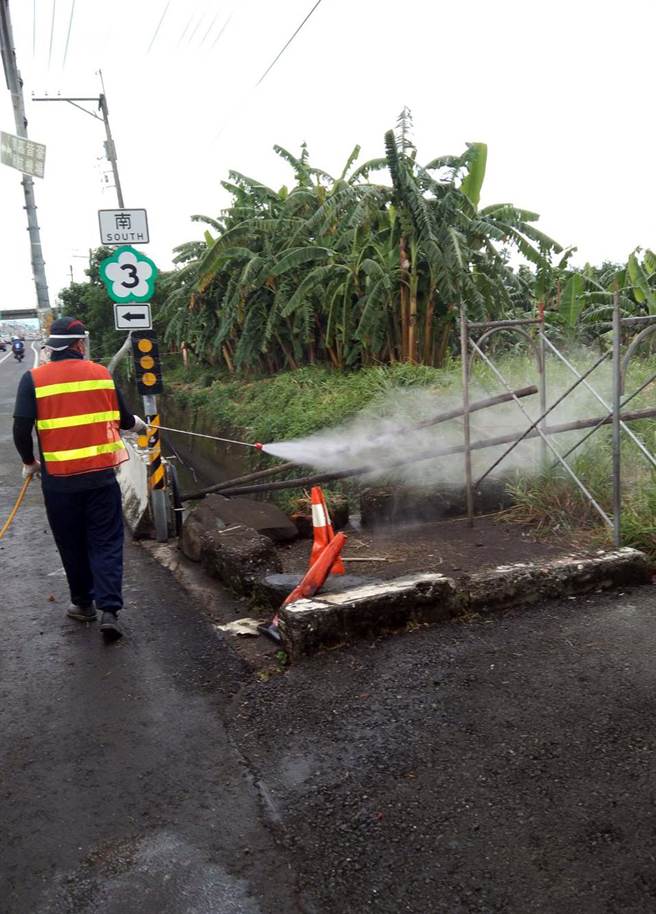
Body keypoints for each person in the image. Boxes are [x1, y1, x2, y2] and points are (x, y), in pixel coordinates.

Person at [12, 316, 147, 641]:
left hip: (59, 482)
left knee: (71, 543)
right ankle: (110, 610)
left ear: (51, 346)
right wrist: (138, 425)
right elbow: (124, 419)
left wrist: (30, 462)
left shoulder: (33, 380)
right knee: (106, 541)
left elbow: (20, 428)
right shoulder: (101, 374)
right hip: (101, 478)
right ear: (79, 344)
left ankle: (83, 604)